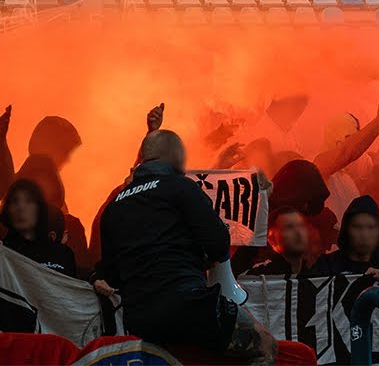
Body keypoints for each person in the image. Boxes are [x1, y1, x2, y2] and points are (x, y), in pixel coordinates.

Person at [98, 130, 275, 361]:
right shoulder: (182, 187)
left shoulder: (114, 207)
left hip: (139, 318)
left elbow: (111, 273)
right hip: (186, 305)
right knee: (266, 346)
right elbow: (218, 244)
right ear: (173, 155)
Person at [1, 179, 75, 276]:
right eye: (15, 201)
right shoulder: (3, 253)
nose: (20, 207)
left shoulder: (62, 254)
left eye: (28, 201)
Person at [305, 195, 379, 279]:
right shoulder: (326, 265)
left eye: (370, 227)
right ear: (346, 229)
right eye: (357, 227)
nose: (364, 235)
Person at [243, 207, 310, 276]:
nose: (298, 233)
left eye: (301, 226)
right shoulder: (260, 274)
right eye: (289, 227)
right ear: (271, 239)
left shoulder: (314, 272)